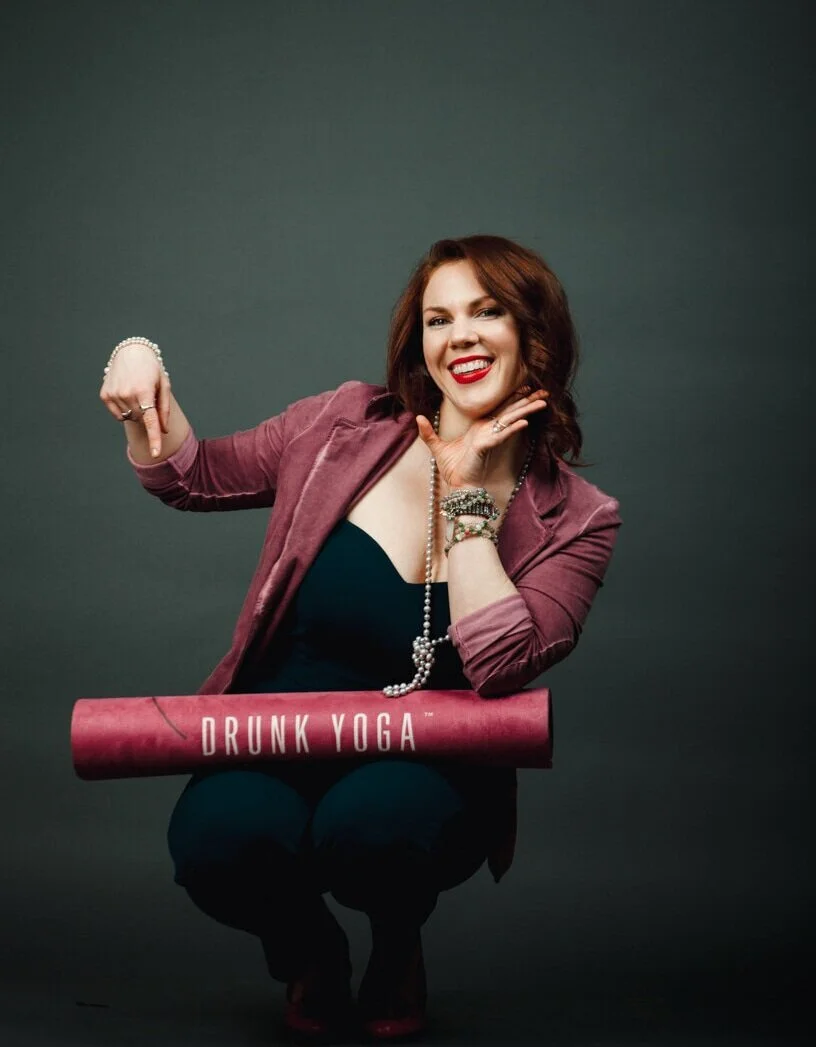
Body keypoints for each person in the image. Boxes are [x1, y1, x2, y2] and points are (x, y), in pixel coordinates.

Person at [99, 234, 622, 1041]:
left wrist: (469, 498)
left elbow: (501, 663)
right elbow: (193, 474)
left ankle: (396, 940)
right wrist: (141, 371)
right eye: (439, 318)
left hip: (426, 768)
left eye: (488, 312)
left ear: (534, 334)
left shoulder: (578, 519)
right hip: (277, 731)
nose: (463, 336)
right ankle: (309, 947)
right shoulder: (346, 423)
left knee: (372, 829)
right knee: (216, 840)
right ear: (421, 342)